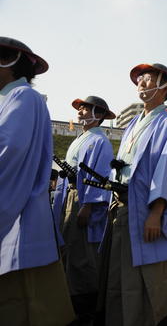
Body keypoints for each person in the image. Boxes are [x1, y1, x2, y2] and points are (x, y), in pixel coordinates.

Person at [101, 63, 167, 325]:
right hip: (124, 203)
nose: (141, 83)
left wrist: (156, 212)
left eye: (149, 79)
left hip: (146, 207)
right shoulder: (133, 124)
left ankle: (159, 316)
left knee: (151, 269)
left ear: (164, 87)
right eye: (140, 79)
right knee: (124, 266)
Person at [0, 36, 74, 325]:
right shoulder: (10, 97)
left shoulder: (23, 97)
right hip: (16, 204)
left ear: (9, 61)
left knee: (27, 298)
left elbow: (9, 148)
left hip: (19, 207)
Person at [62, 95, 115, 323]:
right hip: (71, 196)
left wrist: (88, 205)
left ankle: (87, 309)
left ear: (99, 114)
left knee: (84, 255)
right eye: (80, 108)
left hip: (85, 200)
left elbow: (100, 176)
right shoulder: (81, 138)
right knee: (71, 249)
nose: (81, 112)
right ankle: (72, 300)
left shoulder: (100, 141)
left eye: (86, 109)